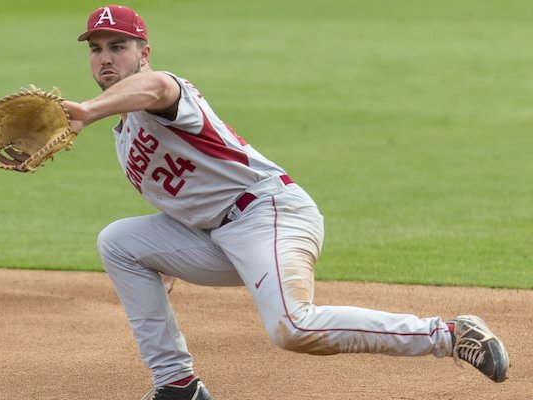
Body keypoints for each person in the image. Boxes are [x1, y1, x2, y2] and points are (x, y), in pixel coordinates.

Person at [64, 5, 510, 399]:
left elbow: (155, 89)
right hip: (219, 238)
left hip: (268, 213)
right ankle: (177, 385)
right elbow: (188, 196)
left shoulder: (163, 92)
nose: (105, 58)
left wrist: (86, 110)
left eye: (118, 46)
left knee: (293, 328)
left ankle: (450, 334)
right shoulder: (124, 137)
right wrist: (163, 261)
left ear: (143, 52)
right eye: (97, 48)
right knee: (119, 241)